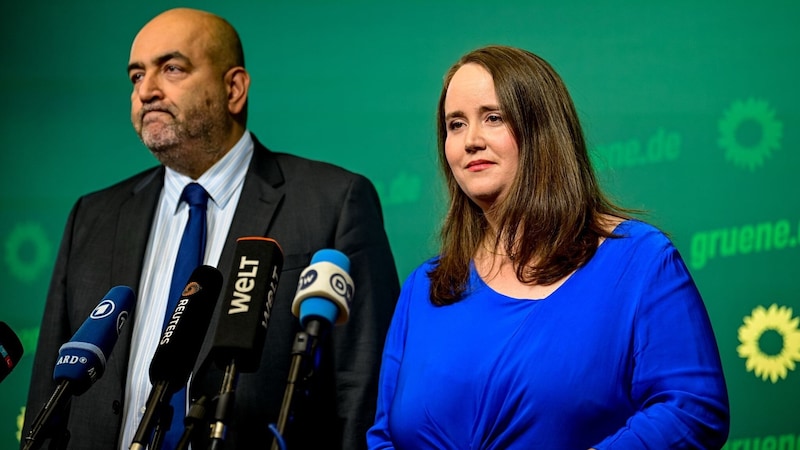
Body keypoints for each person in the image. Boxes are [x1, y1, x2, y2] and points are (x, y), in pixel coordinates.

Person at [22, 7, 399, 450]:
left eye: (172, 68)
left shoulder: (332, 202)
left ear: (234, 88)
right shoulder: (93, 216)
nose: (146, 91)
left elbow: (364, 386)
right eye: (136, 76)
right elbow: (51, 389)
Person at [367, 45, 730, 449]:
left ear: (543, 130)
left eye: (493, 118)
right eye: (455, 124)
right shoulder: (425, 287)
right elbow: (384, 437)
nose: (470, 140)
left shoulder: (639, 262)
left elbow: (691, 410)